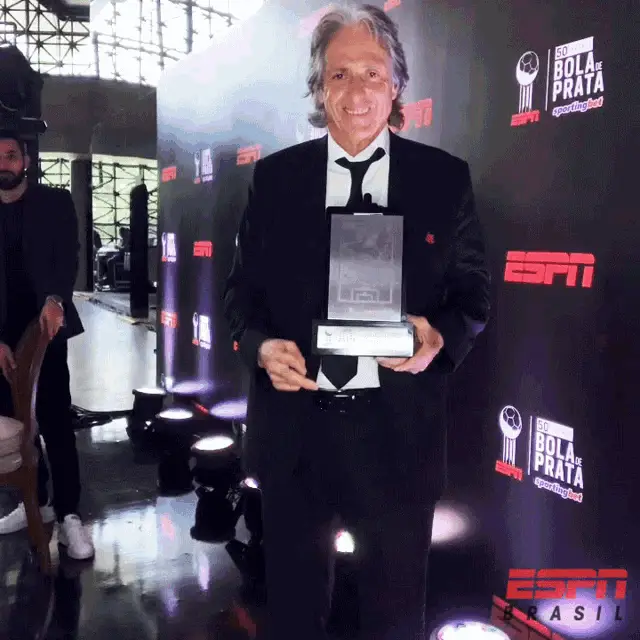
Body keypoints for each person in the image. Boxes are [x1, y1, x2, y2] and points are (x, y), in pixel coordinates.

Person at [223, 4, 490, 639]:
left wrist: (438, 337)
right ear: (319, 88)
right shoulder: (276, 179)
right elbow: (240, 295)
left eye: (372, 73)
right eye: (339, 74)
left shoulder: (443, 179)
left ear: (396, 85)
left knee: (395, 620)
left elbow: (473, 296)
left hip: (396, 440)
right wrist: (259, 347)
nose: (357, 91)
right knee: (293, 617)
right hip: (295, 438)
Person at [0, 132, 94, 561]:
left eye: (10, 155)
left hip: (46, 325)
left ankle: (70, 513)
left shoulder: (54, 202)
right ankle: (35, 503)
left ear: (25, 160)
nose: (3, 164)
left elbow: (68, 257)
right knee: (19, 424)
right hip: (3, 336)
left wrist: (56, 299)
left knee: (55, 420)